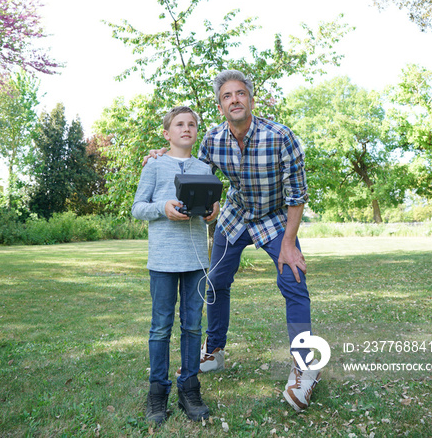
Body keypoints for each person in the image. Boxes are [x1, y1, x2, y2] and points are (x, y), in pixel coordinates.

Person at [146, 70, 320, 412]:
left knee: (294, 280)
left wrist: (289, 243)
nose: (235, 100)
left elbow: (297, 195)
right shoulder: (212, 140)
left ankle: (304, 368)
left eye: (240, 94)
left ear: (251, 100)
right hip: (237, 214)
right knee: (214, 282)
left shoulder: (282, 137)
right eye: (227, 96)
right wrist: (160, 155)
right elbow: (195, 171)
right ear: (220, 105)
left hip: (275, 218)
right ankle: (214, 350)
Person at [132, 106, 219, 426]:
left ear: (197, 132)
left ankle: (189, 388)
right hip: (163, 261)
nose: (187, 128)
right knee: (160, 327)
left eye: (192, 124)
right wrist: (162, 208)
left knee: (193, 326)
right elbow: (138, 208)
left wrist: (213, 212)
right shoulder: (154, 166)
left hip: (195, 259)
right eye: (179, 124)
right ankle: (157, 392)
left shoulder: (204, 168)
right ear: (167, 133)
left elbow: (211, 206)